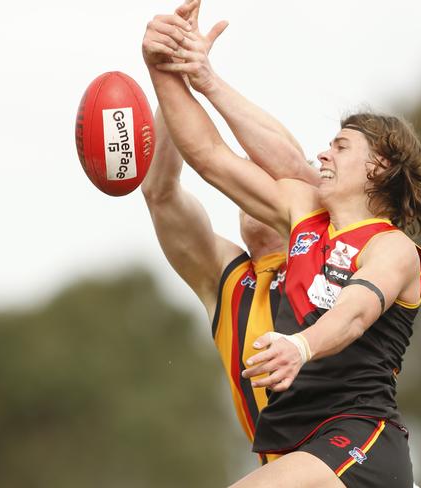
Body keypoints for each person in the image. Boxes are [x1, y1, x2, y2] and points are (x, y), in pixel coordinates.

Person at [142, 2, 421, 487]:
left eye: (340, 146)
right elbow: (209, 156)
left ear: (379, 167)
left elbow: (355, 311)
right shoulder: (306, 218)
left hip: (358, 440)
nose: (322, 154)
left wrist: (301, 345)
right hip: (301, 452)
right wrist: (166, 67)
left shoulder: (391, 247)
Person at [140, 0, 317, 463]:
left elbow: (295, 165)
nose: (252, 173)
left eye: (264, 168)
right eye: (248, 168)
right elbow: (161, 193)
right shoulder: (232, 285)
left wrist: (204, 77)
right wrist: (171, 81)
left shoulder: (337, 244)